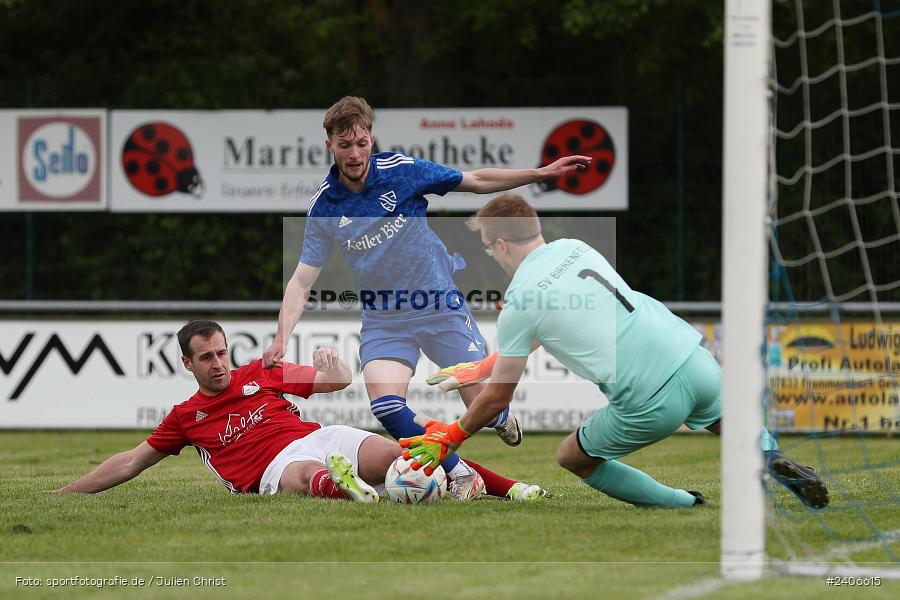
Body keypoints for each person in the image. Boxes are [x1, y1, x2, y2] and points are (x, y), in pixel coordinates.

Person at [403, 194, 830, 510]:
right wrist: (484, 364)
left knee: (572, 455)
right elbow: (562, 324)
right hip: (693, 359)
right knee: (730, 428)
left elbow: (497, 399)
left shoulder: (520, 302)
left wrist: (451, 436)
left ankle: (684, 503)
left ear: (499, 246)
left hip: (649, 398)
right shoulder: (576, 248)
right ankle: (773, 457)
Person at [262, 96, 590, 501]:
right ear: (329, 145)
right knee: (385, 408)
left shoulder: (401, 171)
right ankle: (462, 474)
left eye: (361, 142)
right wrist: (281, 338)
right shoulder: (325, 207)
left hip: (440, 308)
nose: (355, 153)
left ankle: (500, 416)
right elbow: (301, 282)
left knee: (484, 405)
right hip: (385, 320)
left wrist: (542, 172)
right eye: (345, 145)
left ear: (371, 138)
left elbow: (476, 181)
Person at [56, 320, 395, 503]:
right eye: (206, 358)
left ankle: (442, 478)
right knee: (309, 475)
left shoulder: (260, 371)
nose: (218, 364)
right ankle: (349, 487)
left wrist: (334, 366)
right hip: (275, 468)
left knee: (395, 454)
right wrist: (66, 493)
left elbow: (337, 382)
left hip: (320, 438)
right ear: (187, 363)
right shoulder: (185, 416)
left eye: (221, 353)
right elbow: (131, 461)